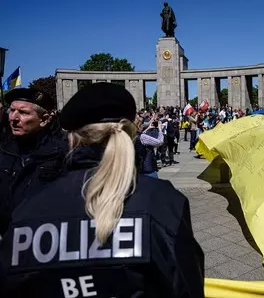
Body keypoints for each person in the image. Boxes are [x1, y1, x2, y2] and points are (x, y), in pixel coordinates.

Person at [0, 82, 205, 297]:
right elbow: (186, 286)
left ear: (70, 137)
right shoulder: (163, 201)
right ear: (130, 132)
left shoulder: (28, 210)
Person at [0, 88, 68, 236]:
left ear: (44, 119)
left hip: (44, 239)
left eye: (23, 112)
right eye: (11, 110)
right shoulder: (4, 149)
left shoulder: (63, 152)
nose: (14, 118)